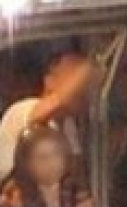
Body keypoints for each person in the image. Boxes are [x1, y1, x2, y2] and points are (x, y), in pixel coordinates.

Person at [0, 46, 92, 182]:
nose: (81, 88)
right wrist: (94, 64)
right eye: (73, 78)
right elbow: (56, 104)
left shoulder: (68, 125)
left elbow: (77, 177)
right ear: (49, 79)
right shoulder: (22, 109)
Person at [0, 125, 95, 207]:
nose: (52, 162)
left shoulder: (77, 193)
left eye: (57, 154)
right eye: (42, 157)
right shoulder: (13, 196)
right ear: (26, 162)